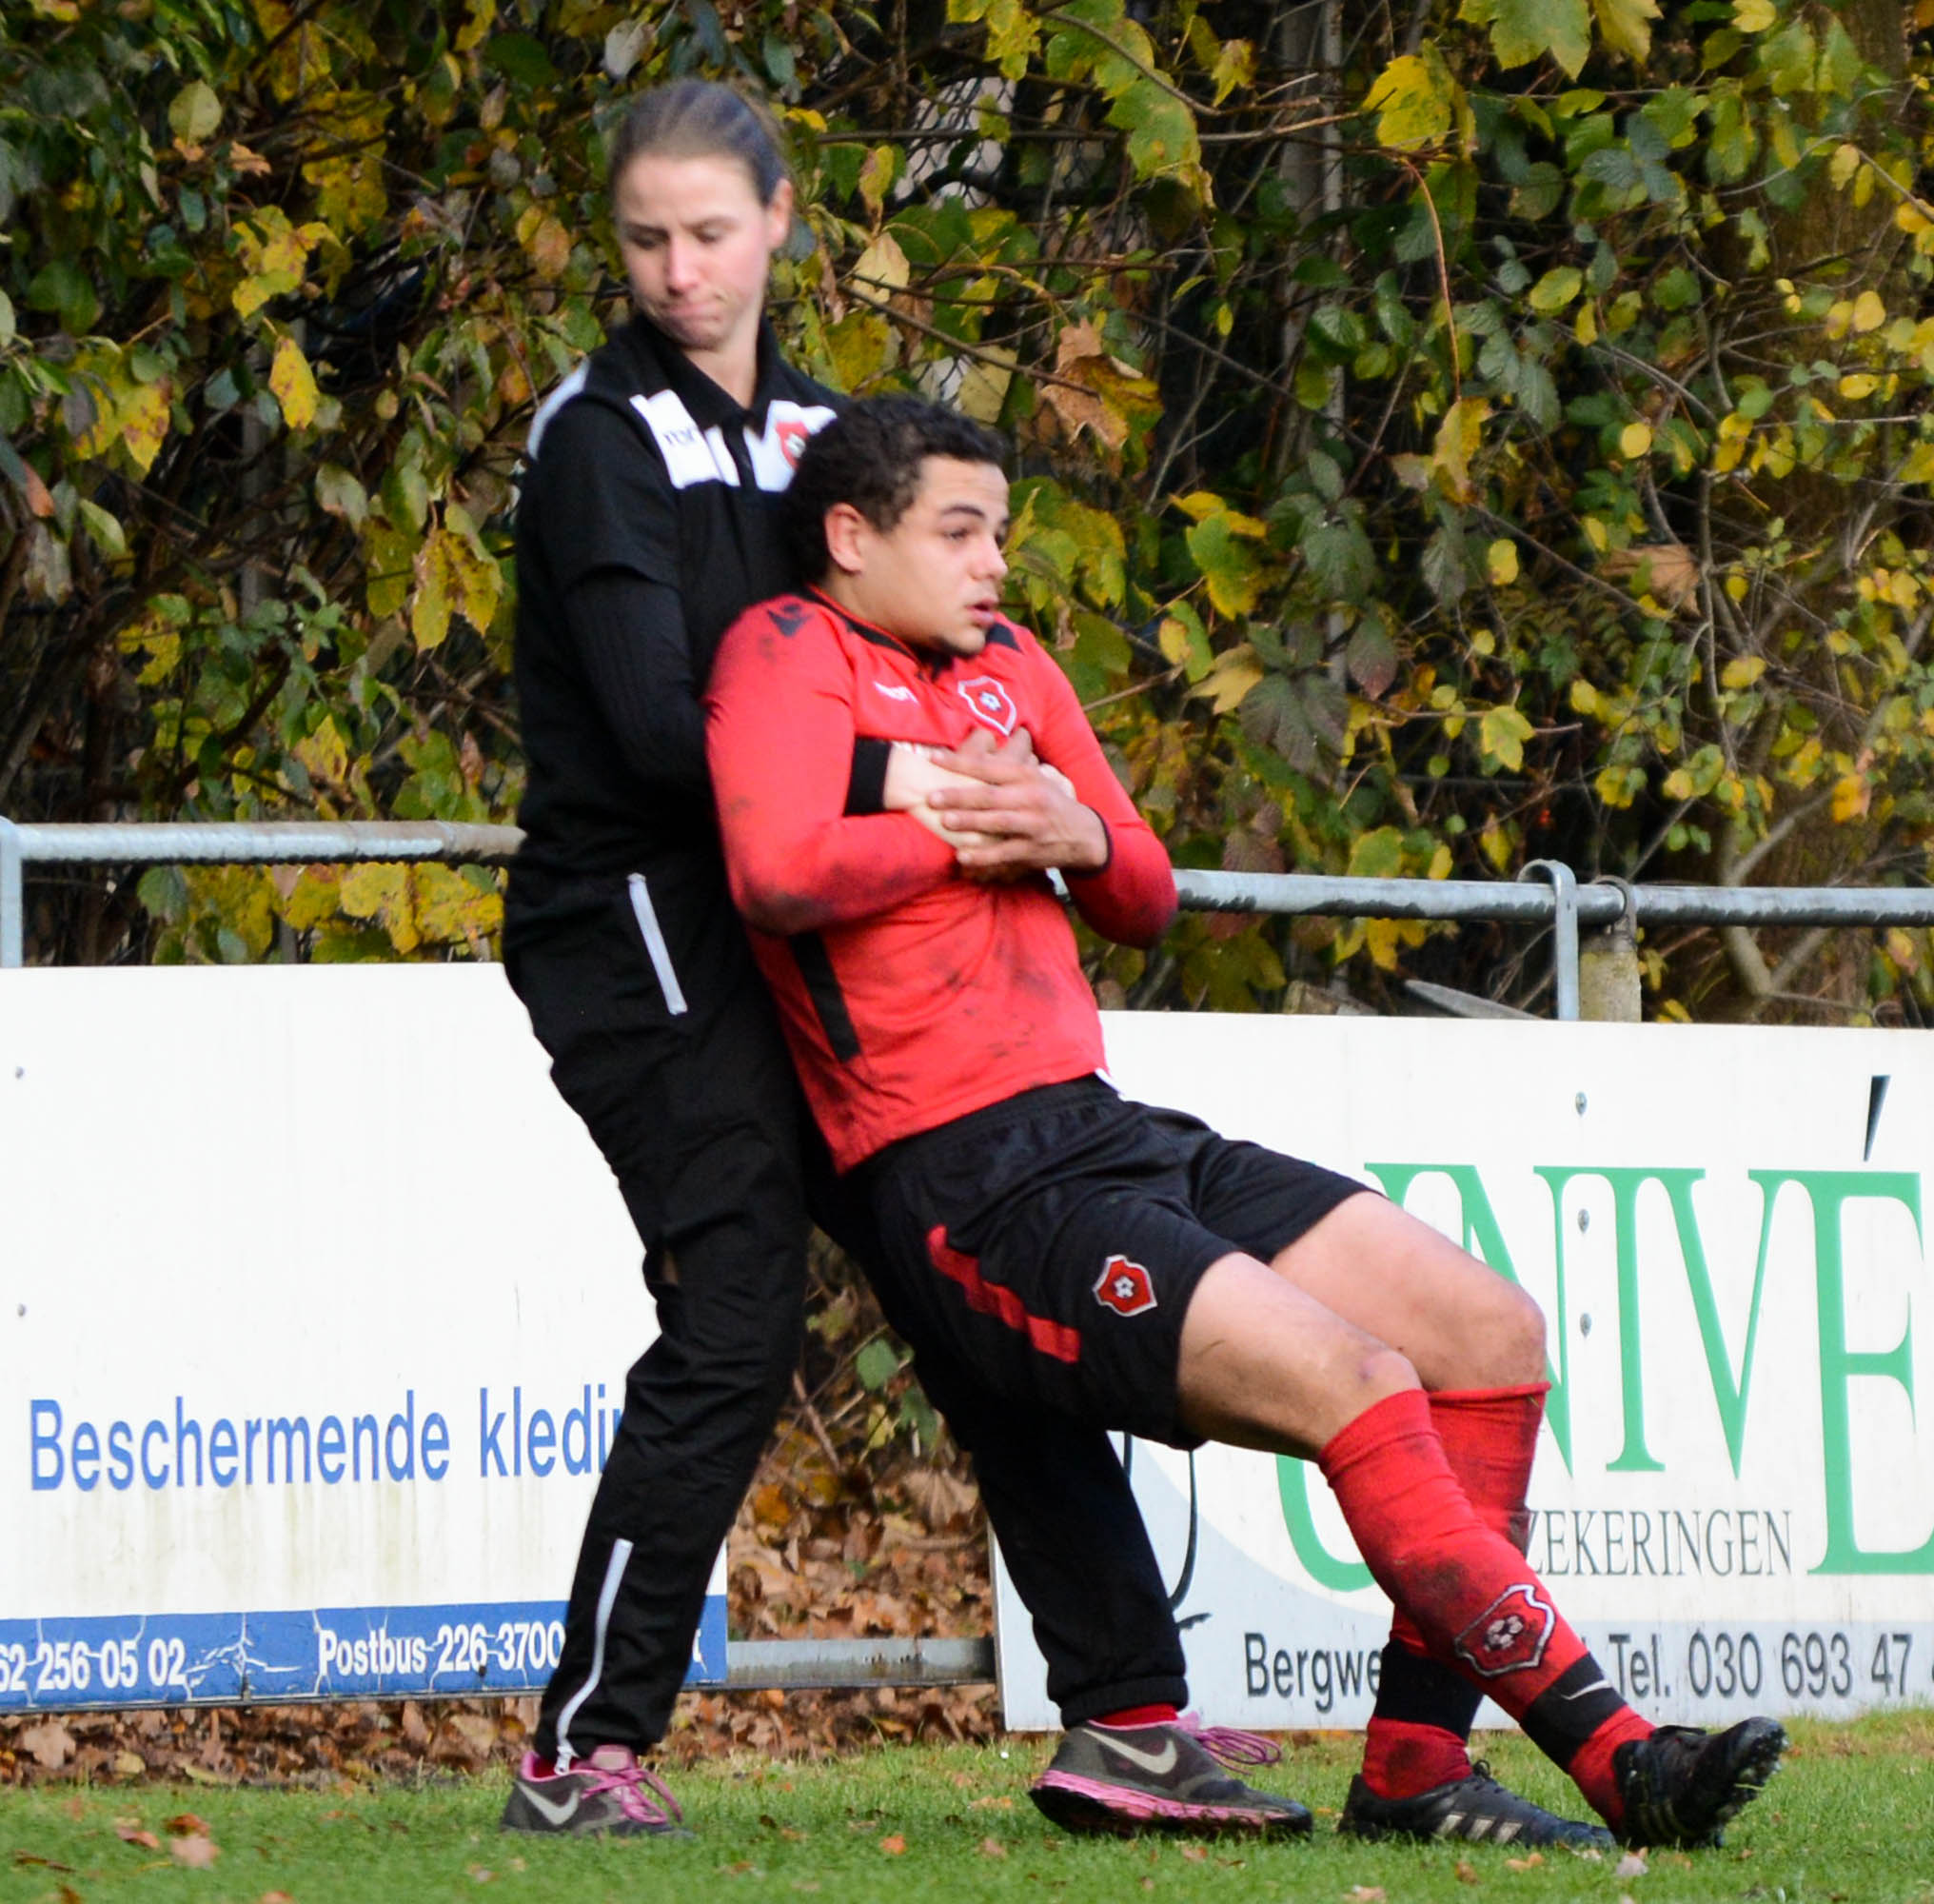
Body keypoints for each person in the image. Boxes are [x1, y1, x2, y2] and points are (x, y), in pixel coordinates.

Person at [703, 395, 1790, 1850]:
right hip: (969, 1178)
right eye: (958, 532)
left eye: (1003, 534)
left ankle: (1414, 1772)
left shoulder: (1012, 669)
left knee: (1488, 1335)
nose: (995, 566)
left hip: (1109, 1126)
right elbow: (774, 870)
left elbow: (1144, 890)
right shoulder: (786, 651)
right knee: (1355, 1379)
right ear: (849, 537)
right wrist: (964, 826)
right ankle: (1619, 1758)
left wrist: (1078, 834)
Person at [499, 79, 1300, 1837]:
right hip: (640, 926)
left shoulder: (823, 439)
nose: (680, 271)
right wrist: (935, 784)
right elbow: (652, 730)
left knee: (968, 1305)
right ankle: (585, 1752)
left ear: (782, 221)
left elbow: (914, 659)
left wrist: (1011, 800)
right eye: (645, 239)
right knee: (737, 1309)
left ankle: (1127, 1725)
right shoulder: (596, 437)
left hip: (808, 919)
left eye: (713, 233)